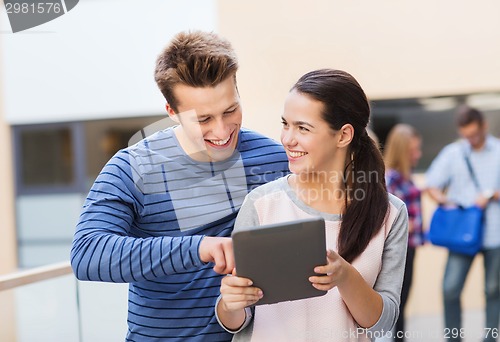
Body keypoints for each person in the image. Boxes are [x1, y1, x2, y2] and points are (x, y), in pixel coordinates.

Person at [70, 30, 289, 341]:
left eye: (230, 110)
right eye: (203, 119)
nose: (222, 130)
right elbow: (87, 254)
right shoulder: (132, 168)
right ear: (172, 112)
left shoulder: (273, 159)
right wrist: (199, 247)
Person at [215, 69, 409, 341]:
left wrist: (345, 277)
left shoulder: (390, 213)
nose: (287, 139)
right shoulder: (261, 204)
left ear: (343, 136)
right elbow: (238, 320)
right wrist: (229, 303)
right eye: (285, 124)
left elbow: (382, 324)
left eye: (303, 128)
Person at [426, 105, 500, 342]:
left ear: (484, 127)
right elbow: (432, 185)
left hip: (495, 234)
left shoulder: (498, 151)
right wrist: (446, 201)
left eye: (474, 135)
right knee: (450, 289)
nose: (470, 140)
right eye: (466, 136)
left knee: (493, 290)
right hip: (461, 233)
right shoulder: (453, 153)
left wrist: (491, 195)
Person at [384, 124, 424, 341]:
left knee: (403, 302)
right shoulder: (390, 179)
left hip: (411, 246)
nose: (418, 155)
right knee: (397, 302)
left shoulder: (406, 178)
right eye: (413, 151)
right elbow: (388, 218)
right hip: (400, 249)